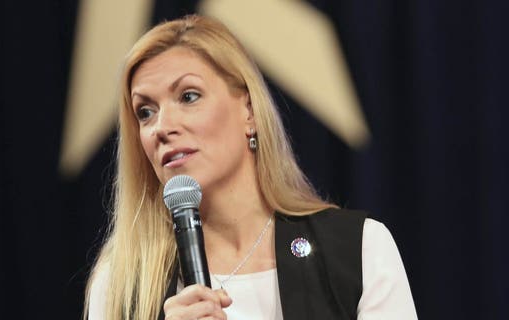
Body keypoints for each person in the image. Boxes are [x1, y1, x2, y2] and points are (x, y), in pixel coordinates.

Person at [84, 15, 417, 320]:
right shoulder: (121, 282)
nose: (162, 127)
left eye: (188, 96)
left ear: (249, 111)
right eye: (145, 112)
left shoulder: (358, 249)